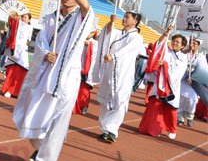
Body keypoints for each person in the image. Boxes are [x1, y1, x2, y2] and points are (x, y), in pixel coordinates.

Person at [13, 0, 94, 161]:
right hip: (45, 75)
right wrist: (45, 52)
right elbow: (41, 43)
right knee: (34, 116)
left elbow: (86, 5)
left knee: (58, 124)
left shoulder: (83, 17)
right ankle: (40, 147)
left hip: (68, 79)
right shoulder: (51, 18)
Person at [96, 12, 145, 143]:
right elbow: (106, 35)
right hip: (110, 70)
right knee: (106, 100)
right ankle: (104, 129)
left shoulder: (137, 37)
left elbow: (127, 50)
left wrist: (114, 56)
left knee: (120, 100)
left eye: (127, 17)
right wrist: (111, 23)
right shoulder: (118, 33)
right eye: (124, 16)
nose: (124, 18)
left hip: (123, 73)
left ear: (135, 21)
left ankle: (112, 130)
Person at [138, 26, 188, 139]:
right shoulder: (167, 52)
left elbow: (178, 72)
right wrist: (167, 33)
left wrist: (165, 65)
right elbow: (159, 45)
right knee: (154, 105)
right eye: (174, 41)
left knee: (171, 110)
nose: (175, 43)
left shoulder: (183, 58)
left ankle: (172, 129)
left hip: (172, 86)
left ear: (182, 46)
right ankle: (150, 128)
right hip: (160, 84)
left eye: (178, 42)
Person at [0, 11, 33, 98]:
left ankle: (15, 91)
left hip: (22, 52)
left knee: (20, 71)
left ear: (29, 20)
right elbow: (12, 22)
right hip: (14, 49)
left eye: (26, 17)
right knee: (11, 70)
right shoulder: (17, 24)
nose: (23, 19)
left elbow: (27, 40)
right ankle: (8, 89)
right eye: (22, 17)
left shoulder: (29, 28)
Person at [178, 38, 206, 127]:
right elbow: (179, 57)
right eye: (191, 43)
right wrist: (188, 50)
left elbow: (202, 69)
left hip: (193, 82)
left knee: (192, 100)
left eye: (195, 43)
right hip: (182, 79)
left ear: (198, 45)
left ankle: (190, 117)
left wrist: (193, 77)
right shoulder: (185, 53)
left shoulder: (200, 56)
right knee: (181, 99)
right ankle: (180, 118)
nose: (192, 45)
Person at [73, 30, 99, 115]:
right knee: (76, 88)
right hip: (78, 67)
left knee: (84, 90)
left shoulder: (95, 43)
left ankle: (84, 105)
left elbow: (92, 48)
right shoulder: (82, 39)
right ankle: (74, 106)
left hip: (88, 70)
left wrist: (85, 42)